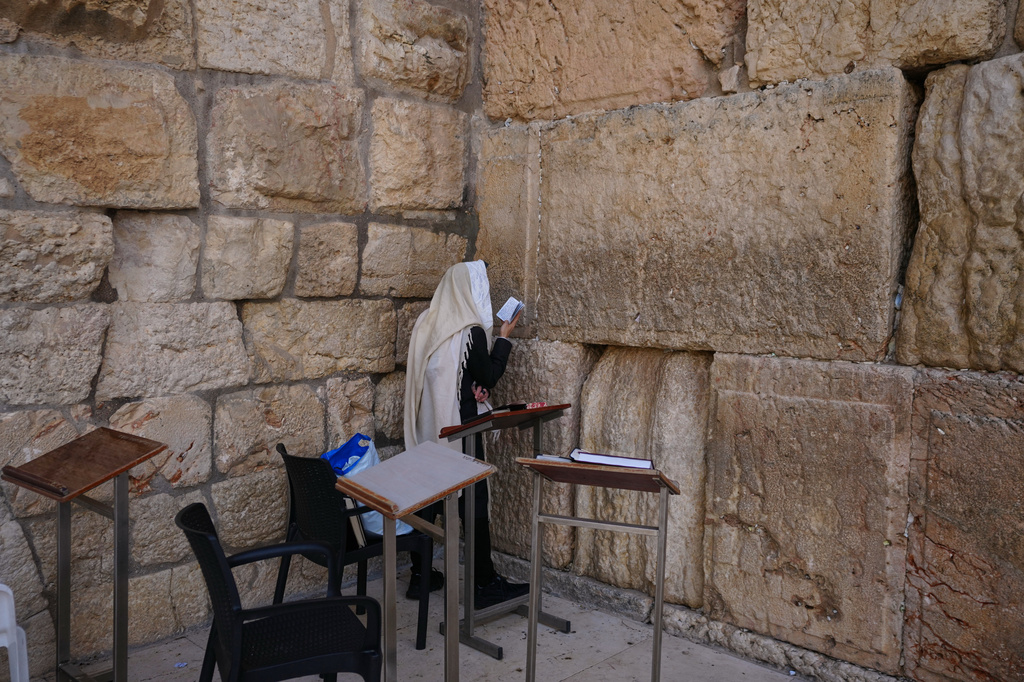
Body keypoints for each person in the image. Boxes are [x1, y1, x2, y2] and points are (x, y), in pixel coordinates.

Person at [403, 260, 529, 608]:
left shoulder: (425, 324)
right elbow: (488, 374)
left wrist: (468, 384)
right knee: (474, 504)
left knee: (427, 500)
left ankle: (421, 576)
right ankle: (484, 584)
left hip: (428, 425)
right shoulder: (470, 331)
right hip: (461, 429)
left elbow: (443, 374)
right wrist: (503, 338)